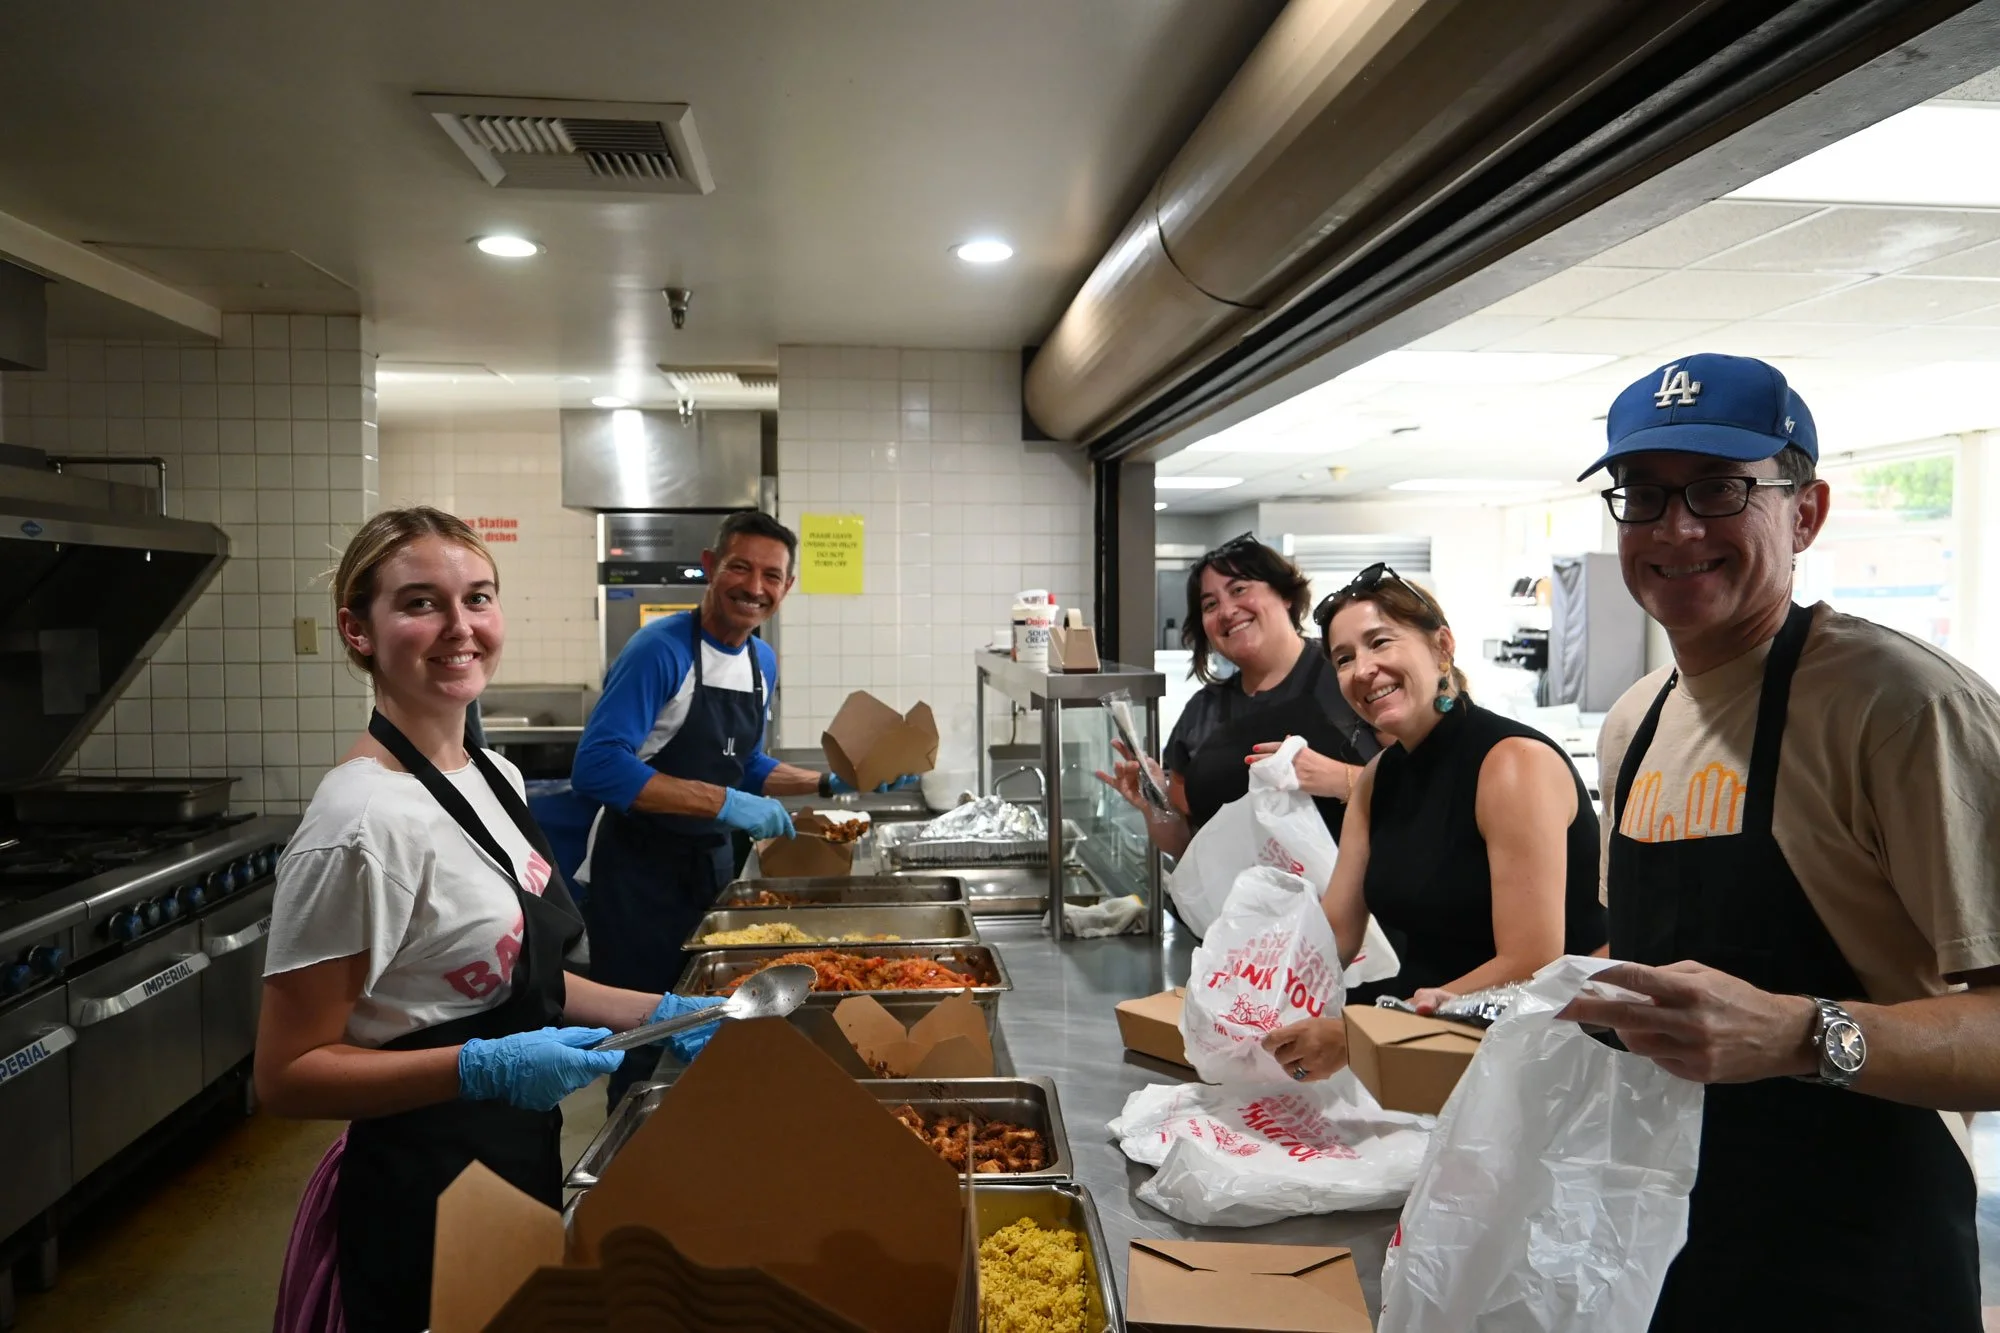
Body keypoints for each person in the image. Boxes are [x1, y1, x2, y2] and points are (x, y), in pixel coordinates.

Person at [1555, 354, 2000, 1330]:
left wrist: (1805, 1034)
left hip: (1862, 1259)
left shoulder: (1898, 705)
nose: (1675, 527)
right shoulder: (1633, 720)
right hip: (1660, 1241)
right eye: (1642, 493)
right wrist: (1552, 997)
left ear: (1804, 511)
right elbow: (1647, 955)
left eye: (1718, 489)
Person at [257, 507, 726, 1333]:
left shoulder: (492, 774)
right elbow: (286, 1073)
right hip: (419, 1188)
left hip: (514, 1156)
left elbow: (509, 971)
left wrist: (651, 1013)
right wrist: (478, 1067)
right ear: (357, 630)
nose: (459, 627)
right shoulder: (358, 824)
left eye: (478, 597)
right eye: (420, 603)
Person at [569, 510, 916, 1103]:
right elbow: (597, 765)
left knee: (716, 1017)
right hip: (638, 877)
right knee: (645, 1031)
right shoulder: (660, 650)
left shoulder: (761, 663)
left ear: (788, 586)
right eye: (740, 567)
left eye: (772, 576)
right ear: (710, 567)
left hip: (709, 869)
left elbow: (744, 760)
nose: (754, 588)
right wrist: (724, 801)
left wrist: (827, 784)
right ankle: (630, 1149)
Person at [1261, 565, 1606, 1080]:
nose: (1364, 669)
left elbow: (1530, 960)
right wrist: (1252, 991)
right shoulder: (1380, 777)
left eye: (1381, 642)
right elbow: (1335, 931)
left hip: (1540, 1046)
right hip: (1425, 1033)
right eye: (1344, 659)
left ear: (1442, 646)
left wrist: (1363, 1031)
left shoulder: (1511, 764)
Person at [1096, 534, 1376, 884]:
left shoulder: (1348, 675)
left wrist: (1338, 779)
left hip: (1360, 919)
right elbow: (1188, 845)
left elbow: (1424, 783)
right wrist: (1154, 806)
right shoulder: (1203, 712)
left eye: (1240, 589)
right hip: (1245, 925)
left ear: (1285, 594)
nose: (1227, 611)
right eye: (1210, 605)